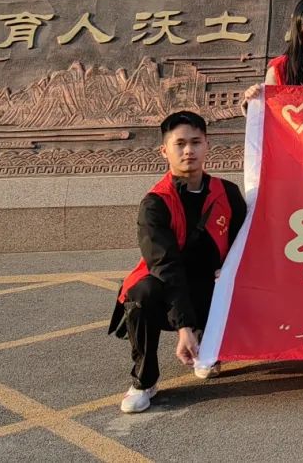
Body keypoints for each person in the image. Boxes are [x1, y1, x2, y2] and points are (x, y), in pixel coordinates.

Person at [108, 111, 247, 413]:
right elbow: (165, 266)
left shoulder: (228, 193)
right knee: (140, 294)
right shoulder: (155, 203)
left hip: (210, 285)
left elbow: (243, 245)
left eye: (196, 142)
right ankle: (144, 381)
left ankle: (209, 346)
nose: (188, 151)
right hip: (167, 288)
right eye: (180, 143)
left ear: (207, 145)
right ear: (164, 150)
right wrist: (184, 326)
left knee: (237, 281)